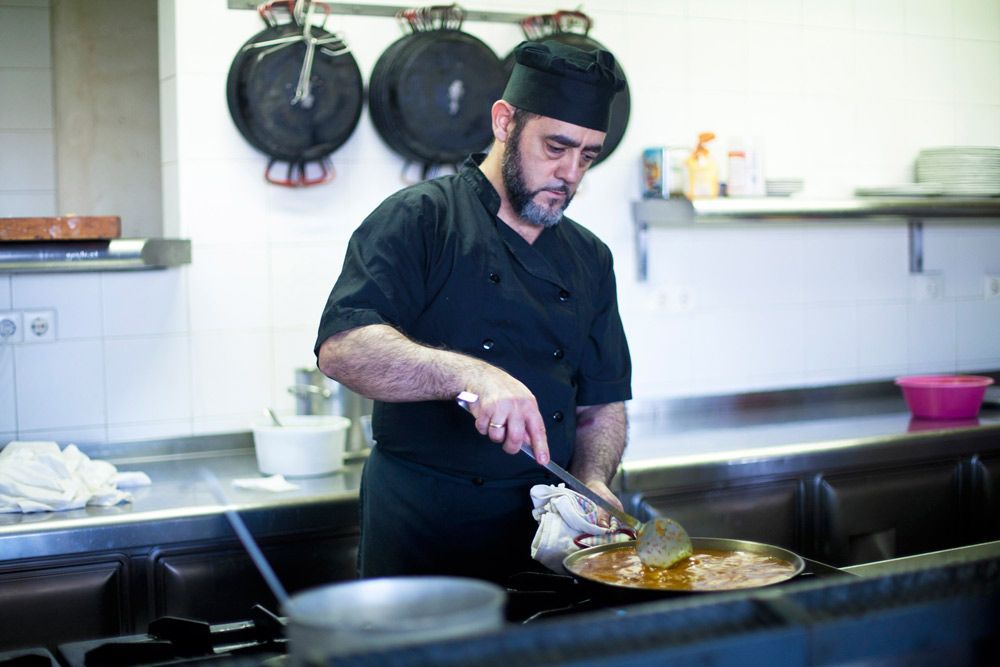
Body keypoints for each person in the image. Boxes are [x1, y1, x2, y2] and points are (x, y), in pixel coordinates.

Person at [314, 39, 632, 583]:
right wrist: (469, 373)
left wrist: (594, 480)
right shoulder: (419, 219)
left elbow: (600, 406)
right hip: (427, 538)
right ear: (505, 122)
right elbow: (342, 350)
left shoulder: (590, 258)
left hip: (547, 545)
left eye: (587, 155)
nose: (570, 173)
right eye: (555, 147)